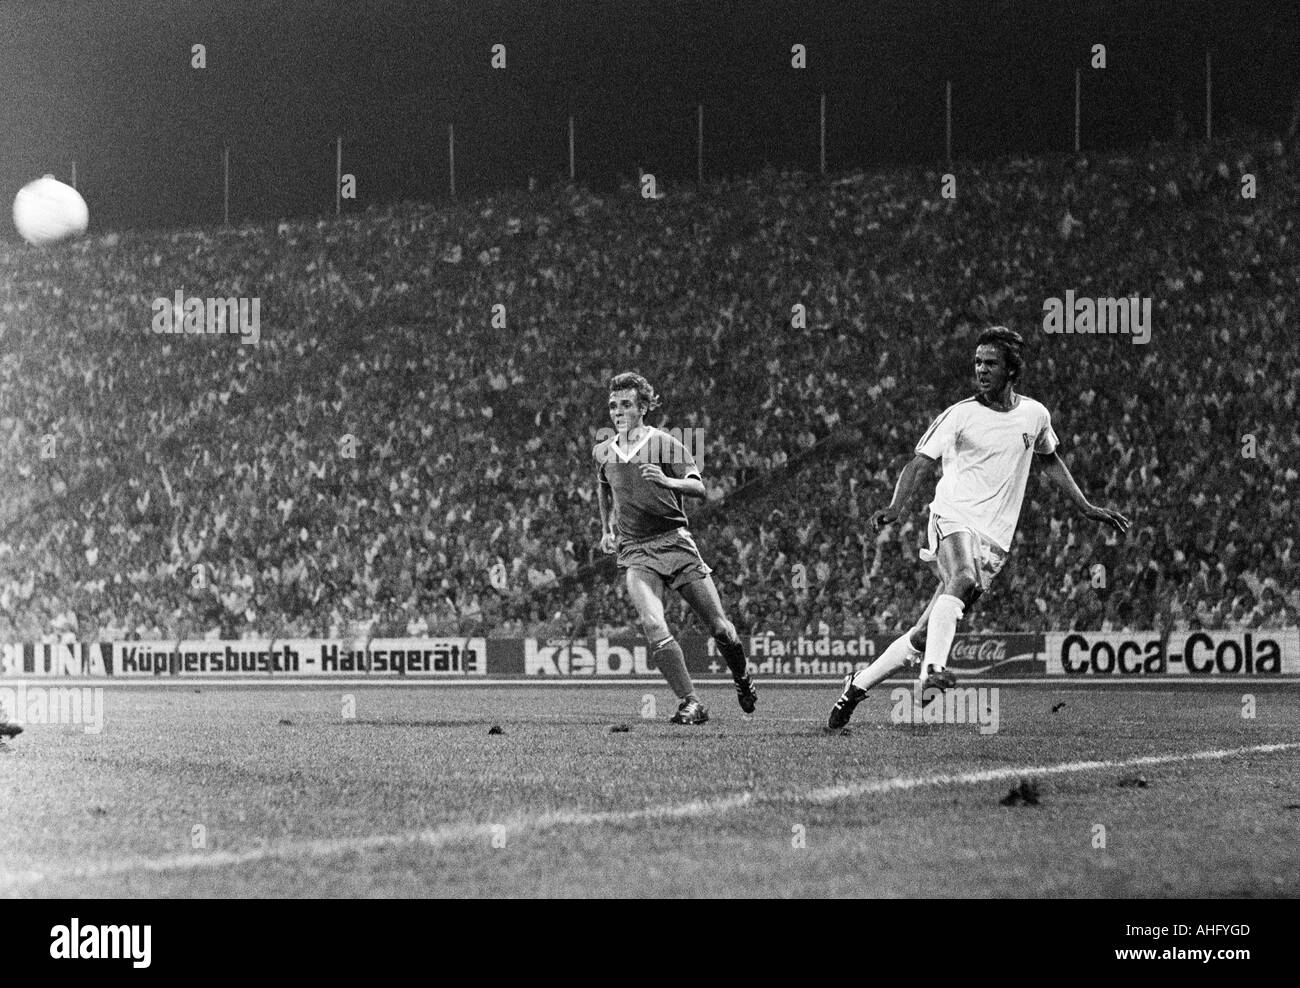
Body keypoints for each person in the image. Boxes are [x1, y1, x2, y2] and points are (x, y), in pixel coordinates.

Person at [828, 326, 1129, 728]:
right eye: (977, 362)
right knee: (963, 576)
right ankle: (931, 673)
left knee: (923, 631)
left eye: (990, 363)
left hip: (994, 539)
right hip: (951, 515)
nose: (981, 369)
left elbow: (1050, 460)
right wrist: (896, 507)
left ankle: (857, 684)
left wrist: (1087, 506)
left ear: (1011, 370)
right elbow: (919, 462)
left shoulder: (1035, 415)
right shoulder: (960, 414)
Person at [596, 372, 758, 724]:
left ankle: (742, 677)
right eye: (613, 405)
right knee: (653, 623)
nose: (617, 411)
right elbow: (604, 487)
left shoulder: (666, 443)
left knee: (720, 629)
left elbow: (699, 488)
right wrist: (607, 529)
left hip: (675, 543)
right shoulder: (603, 451)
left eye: (625, 404)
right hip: (636, 551)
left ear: (642, 408)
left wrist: (667, 480)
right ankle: (691, 702)